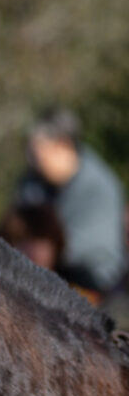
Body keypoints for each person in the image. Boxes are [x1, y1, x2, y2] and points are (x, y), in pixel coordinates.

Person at [15, 107, 126, 296]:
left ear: (62, 145)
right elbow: (16, 227)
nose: (32, 160)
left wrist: (35, 248)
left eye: (38, 153)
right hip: (44, 280)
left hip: (94, 290)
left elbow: (85, 251)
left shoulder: (99, 188)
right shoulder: (33, 182)